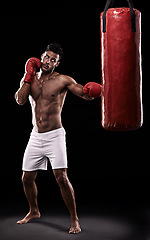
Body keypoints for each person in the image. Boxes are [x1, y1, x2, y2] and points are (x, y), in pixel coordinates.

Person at [15, 43, 101, 234]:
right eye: (46, 57)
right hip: (35, 136)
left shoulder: (63, 80)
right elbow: (20, 99)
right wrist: (27, 76)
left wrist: (91, 92)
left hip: (55, 136)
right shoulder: (30, 78)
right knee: (26, 178)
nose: (47, 61)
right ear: (41, 57)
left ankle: (74, 220)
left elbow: (82, 93)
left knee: (61, 178)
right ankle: (34, 211)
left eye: (52, 60)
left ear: (57, 63)